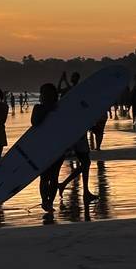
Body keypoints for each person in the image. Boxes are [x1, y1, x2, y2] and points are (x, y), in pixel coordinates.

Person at [56, 71, 97, 202]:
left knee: (86, 163)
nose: (73, 79)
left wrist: (64, 80)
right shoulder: (74, 92)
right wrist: (62, 80)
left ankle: (80, 190)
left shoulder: (77, 90)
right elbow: (59, 91)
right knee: (86, 162)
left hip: (77, 131)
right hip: (76, 132)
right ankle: (83, 192)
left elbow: (72, 92)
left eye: (74, 78)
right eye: (72, 78)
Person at [31, 83, 63, 212]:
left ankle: (50, 202)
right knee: (44, 177)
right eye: (43, 93)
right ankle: (45, 201)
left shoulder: (61, 107)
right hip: (42, 146)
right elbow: (35, 122)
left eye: (48, 93)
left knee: (54, 176)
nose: (45, 96)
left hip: (58, 145)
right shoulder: (38, 108)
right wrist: (47, 109)